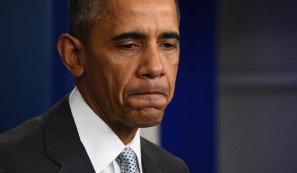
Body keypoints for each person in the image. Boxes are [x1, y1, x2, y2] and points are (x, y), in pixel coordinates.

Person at [0, 0, 189, 172]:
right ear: (74, 55)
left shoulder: (173, 168)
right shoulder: (9, 162)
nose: (155, 68)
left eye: (167, 45)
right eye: (129, 45)